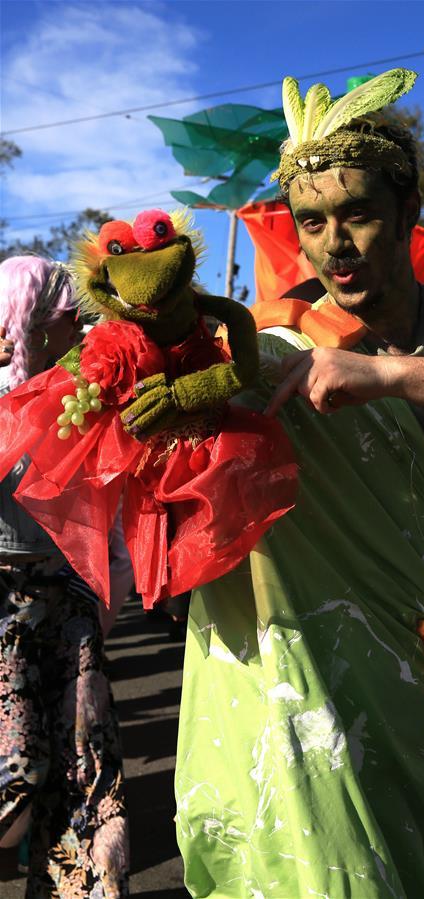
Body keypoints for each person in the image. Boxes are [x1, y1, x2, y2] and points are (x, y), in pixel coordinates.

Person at [174, 70, 424, 898]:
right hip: (318, 673)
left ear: (407, 211)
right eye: (313, 222)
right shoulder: (276, 341)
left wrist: (381, 373)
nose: (335, 243)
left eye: (358, 213)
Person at [0, 256, 129, 896]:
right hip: (7, 617)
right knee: (17, 782)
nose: (79, 328)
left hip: (68, 612)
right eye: (62, 317)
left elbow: (108, 515)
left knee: (83, 776)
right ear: (26, 324)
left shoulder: (75, 401)